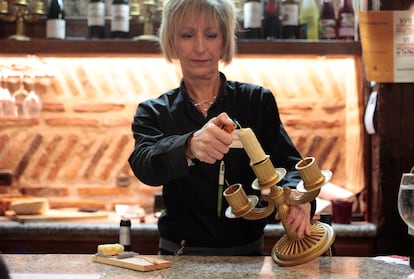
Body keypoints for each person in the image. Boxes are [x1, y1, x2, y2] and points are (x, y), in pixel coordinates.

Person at [128, 0, 316, 256]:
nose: (200, 46)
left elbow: (290, 164)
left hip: (246, 255)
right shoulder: (154, 111)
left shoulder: (256, 101)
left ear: (224, 41)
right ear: (172, 41)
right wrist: (189, 146)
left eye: (211, 34)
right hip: (178, 255)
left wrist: (300, 198)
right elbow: (144, 164)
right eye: (187, 35)